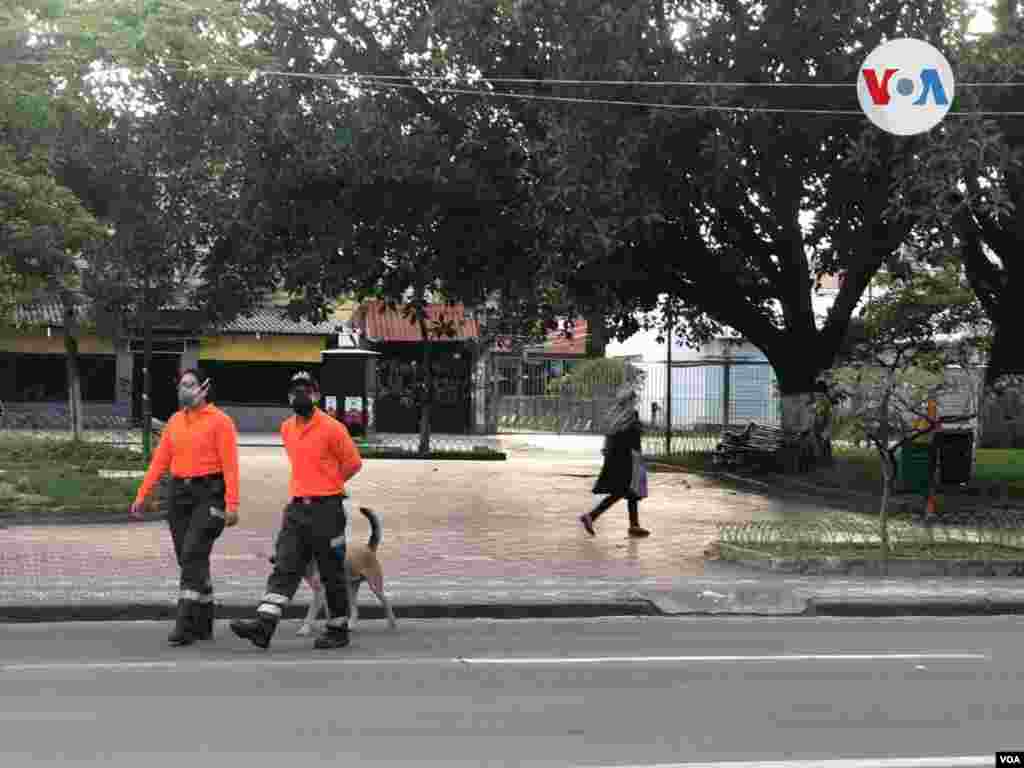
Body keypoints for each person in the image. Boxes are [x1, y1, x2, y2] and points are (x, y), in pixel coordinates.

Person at [230, 371, 363, 650]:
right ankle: (263, 626)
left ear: (316, 395)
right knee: (285, 565)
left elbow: (353, 463)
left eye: (305, 390)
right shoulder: (286, 428)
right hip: (296, 509)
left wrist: (329, 484)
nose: (299, 396)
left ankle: (338, 630)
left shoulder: (333, 428)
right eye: (294, 391)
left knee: (331, 572)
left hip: (328, 509)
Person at [130, 368, 240, 646]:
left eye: (190, 384)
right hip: (179, 496)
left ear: (204, 388)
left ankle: (185, 623)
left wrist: (232, 504)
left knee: (192, 554)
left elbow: (230, 467)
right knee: (189, 559)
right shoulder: (175, 422)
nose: (184, 389)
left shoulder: (221, 422)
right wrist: (142, 495)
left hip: (210, 495)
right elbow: (159, 462)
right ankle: (204, 623)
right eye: (181, 385)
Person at [580, 386, 650, 538]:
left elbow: (609, 435)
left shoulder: (614, 414)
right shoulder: (631, 415)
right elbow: (634, 435)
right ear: (629, 400)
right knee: (622, 491)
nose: (635, 401)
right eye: (634, 399)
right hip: (628, 458)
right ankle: (591, 516)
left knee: (632, 491)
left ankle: (634, 525)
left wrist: (606, 449)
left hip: (615, 457)